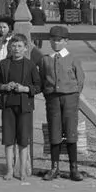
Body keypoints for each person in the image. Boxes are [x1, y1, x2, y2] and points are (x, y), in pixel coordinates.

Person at [0, 33, 42, 181]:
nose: (16, 49)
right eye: (13, 46)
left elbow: (38, 86)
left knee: (23, 140)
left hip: (25, 107)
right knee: (8, 140)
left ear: (25, 48)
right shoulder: (4, 65)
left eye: (19, 46)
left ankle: (23, 170)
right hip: (8, 106)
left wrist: (25, 89)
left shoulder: (30, 65)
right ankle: (9, 170)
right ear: (9, 48)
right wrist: (5, 86)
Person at [37, 25, 85, 181]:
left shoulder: (73, 58)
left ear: (66, 41)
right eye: (53, 40)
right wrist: (48, 93)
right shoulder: (45, 59)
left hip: (70, 97)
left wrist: (74, 93)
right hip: (53, 98)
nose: (56, 43)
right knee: (54, 132)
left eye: (59, 40)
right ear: (49, 41)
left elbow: (80, 79)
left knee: (71, 132)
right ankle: (54, 167)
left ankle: (73, 168)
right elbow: (43, 78)